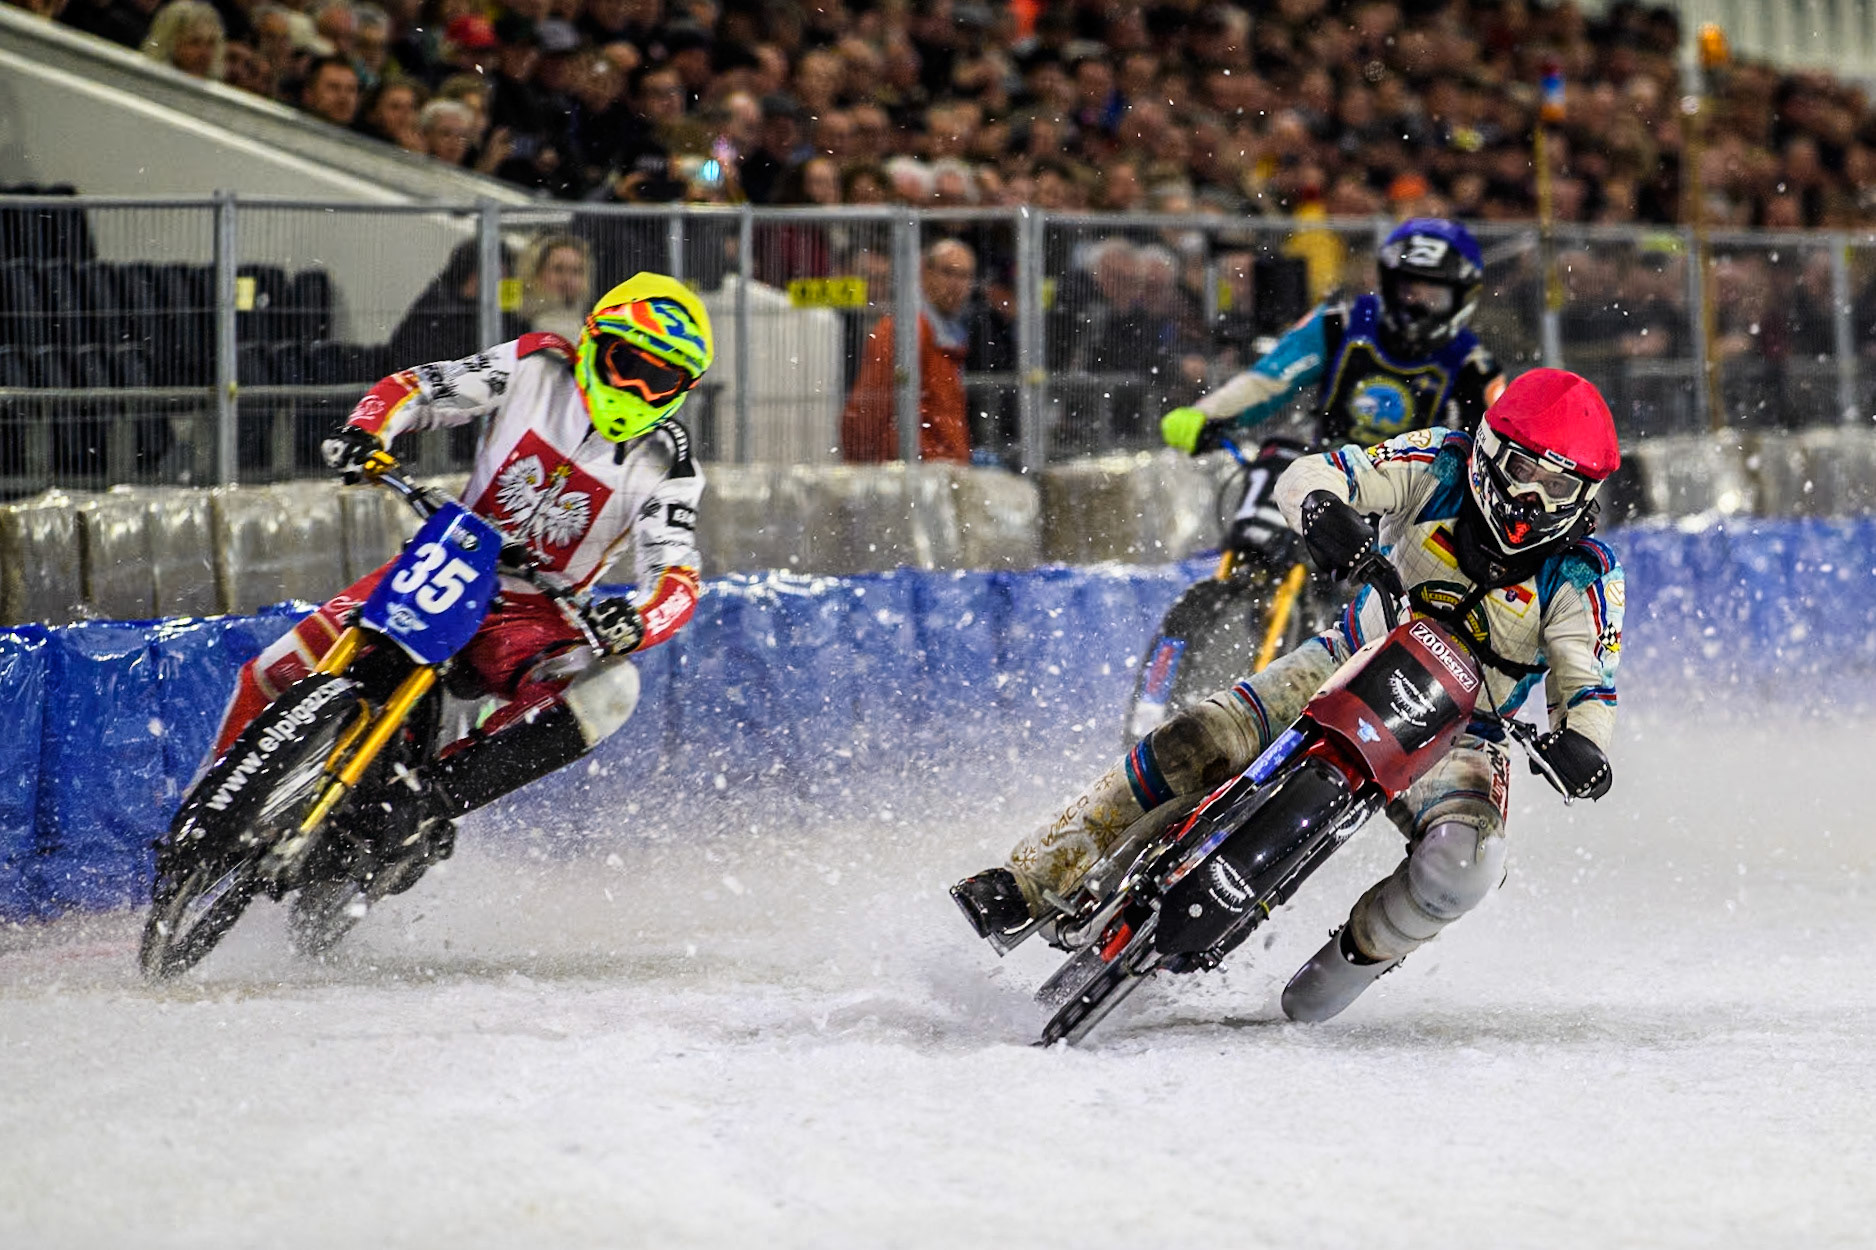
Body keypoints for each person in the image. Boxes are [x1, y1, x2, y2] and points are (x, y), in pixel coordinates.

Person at [954, 367, 1625, 1023]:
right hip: (1346, 658)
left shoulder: (1585, 574)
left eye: (1557, 485)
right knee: (1196, 738)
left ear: (1584, 492)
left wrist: (1584, 746)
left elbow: (1585, 676)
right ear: (1485, 451)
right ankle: (1029, 882)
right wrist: (1320, 507)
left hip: (1462, 735)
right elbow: (1320, 471)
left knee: (1464, 865)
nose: (1531, 499)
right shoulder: (1438, 464)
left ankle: (1340, 973)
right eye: (1522, 471)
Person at [204, 273, 715, 895]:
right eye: (624, 362)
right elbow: (423, 387)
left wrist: (636, 621)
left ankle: (431, 800)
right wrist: (368, 430)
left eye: (657, 378)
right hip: (447, 560)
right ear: (590, 342)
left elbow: (677, 577)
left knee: (612, 690)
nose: (635, 386)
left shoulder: (672, 465)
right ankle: (208, 806)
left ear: (681, 390)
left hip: (536, 618)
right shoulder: (535, 362)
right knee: (270, 672)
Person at [1159, 218, 1506, 458]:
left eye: (1434, 294)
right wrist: (1206, 414)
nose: (1414, 303)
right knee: (1274, 458)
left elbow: (1494, 449)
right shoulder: (1339, 321)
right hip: (1324, 476)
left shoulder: (1474, 366)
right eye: (1406, 288)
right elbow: (1269, 381)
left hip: (1409, 508)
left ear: (1463, 298)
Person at [840, 238, 976, 463]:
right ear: (924, 272)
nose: (956, 284)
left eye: (964, 276)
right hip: (915, 470)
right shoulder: (904, 330)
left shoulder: (946, 332)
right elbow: (870, 408)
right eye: (948, 273)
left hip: (936, 468)